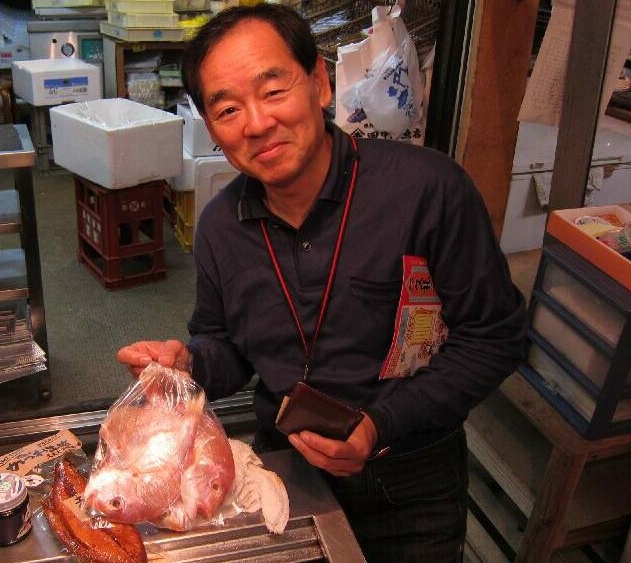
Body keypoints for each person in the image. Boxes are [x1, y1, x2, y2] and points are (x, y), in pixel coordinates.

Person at [118, 4, 527, 561]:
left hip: (412, 479)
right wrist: (186, 362)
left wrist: (381, 424)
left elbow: (496, 336)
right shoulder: (219, 226)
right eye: (228, 108)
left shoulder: (428, 190)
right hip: (285, 472)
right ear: (211, 128)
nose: (257, 123)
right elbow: (228, 348)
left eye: (273, 90)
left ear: (319, 83)